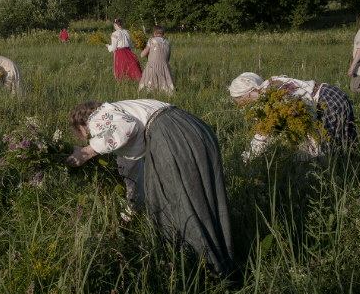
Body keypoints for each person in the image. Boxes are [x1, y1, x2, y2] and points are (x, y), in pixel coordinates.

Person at [65, 99, 238, 278]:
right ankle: (215, 262)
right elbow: (134, 180)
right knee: (201, 197)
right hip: (194, 129)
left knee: (176, 204)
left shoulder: (98, 116)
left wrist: (86, 152)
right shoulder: (125, 111)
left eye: (86, 134)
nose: (90, 137)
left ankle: (206, 271)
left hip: (171, 136)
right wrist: (127, 215)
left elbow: (124, 127)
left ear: (82, 125)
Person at [228, 72, 356, 158]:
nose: (243, 107)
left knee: (332, 148)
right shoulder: (264, 98)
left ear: (245, 95)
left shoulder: (270, 92)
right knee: (328, 149)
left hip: (328, 100)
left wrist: (250, 157)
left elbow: (263, 132)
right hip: (326, 98)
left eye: (240, 102)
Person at [138, 25, 175, 93]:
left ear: (154, 33)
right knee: (165, 87)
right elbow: (168, 58)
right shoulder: (168, 43)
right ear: (163, 33)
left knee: (148, 85)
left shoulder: (151, 41)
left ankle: (148, 95)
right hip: (165, 67)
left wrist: (142, 48)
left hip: (152, 67)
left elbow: (142, 55)